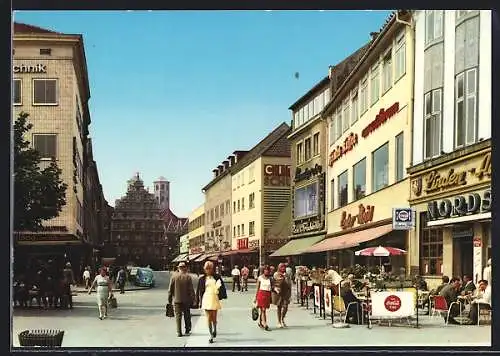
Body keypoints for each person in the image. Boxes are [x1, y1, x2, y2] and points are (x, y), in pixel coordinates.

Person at [196, 261, 227, 344]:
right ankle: (211, 335)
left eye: (210, 268)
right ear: (204, 269)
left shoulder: (217, 277)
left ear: (212, 269)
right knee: (208, 318)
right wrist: (198, 301)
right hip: (206, 298)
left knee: (214, 317)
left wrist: (221, 294)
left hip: (214, 297)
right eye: (207, 268)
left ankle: (215, 329)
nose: (208, 270)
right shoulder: (202, 279)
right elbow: (199, 291)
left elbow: (222, 287)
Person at [168, 262, 196, 337]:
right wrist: (194, 299)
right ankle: (187, 329)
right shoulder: (188, 277)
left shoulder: (174, 277)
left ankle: (179, 332)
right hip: (186, 300)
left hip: (177, 300)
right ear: (185, 268)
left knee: (178, 316)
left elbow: (170, 290)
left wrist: (169, 300)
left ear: (178, 268)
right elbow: (191, 290)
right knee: (187, 315)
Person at [254, 265, 273, 331]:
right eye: (265, 270)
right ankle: (265, 324)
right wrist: (255, 298)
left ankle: (260, 322)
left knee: (263, 310)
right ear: (263, 271)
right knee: (263, 310)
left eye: (268, 270)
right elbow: (257, 288)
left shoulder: (270, 279)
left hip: (267, 294)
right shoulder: (260, 278)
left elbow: (272, 287)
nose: (267, 271)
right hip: (261, 294)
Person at [273, 263, 292, 328]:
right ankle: (279, 321)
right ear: (278, 267)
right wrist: (283, 277)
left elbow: (289, 283)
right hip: (279, 293)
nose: (283, 268)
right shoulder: (276, 274)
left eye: (284, 267)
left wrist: (290, 293)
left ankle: (282, 318)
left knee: (286, 307)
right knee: (279, 307)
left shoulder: (286, 274)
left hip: (286, 292)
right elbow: (278, 282)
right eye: (281, 267)